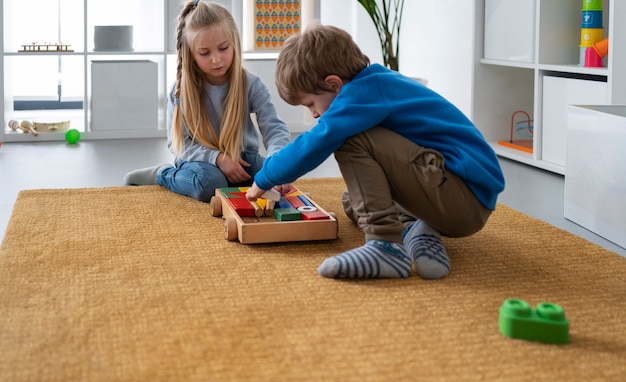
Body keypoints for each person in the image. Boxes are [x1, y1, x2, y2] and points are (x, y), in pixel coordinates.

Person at [246, 24, 505, 280]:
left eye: (311, 104)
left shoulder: (363, 93)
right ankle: (417, 230)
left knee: (349, 138)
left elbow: (315, 143)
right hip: (453, 195)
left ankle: (385, 245)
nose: (314, 113)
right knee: (353, 200)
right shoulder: (376, 85)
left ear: (334, 84)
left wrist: (264, 177)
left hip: (463, 197)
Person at [124, 0, 291, 202]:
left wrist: (278, 164)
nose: (216, 59)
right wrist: (218, 158)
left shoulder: (251, 84)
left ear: (234, 43)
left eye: (223, 48)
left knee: (273, 180)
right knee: (210, 184)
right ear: (191, 55)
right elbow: (179, 145)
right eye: (205, 53)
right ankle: (163, 174)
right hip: (199, 161)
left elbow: (274, 128)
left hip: (242, 158)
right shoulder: (181, 91)